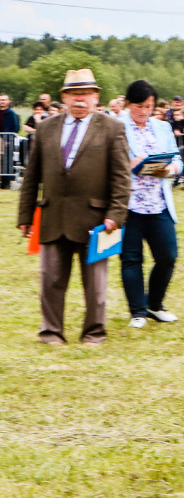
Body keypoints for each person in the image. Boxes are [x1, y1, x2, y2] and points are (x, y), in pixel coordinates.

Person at [16, 69, 131, 346]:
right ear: (64, 97)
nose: (80, 99)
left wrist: (115, 214)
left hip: (97, 221)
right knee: (50, 280)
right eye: (74, 94)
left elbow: (122, 177)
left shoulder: (112, 128)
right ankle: (51, 332)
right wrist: (25, 215)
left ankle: (94, 333)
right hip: (53, 216)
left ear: (95, 97)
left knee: (95, 284)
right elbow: (32, 177)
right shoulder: (46, 128)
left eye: (86, 94)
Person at [119, 80, 183, 329]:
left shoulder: (163, 127)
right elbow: (109, 160)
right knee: (131, 259)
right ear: (128, 104)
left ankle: (155, 305)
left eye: (149, 106)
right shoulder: (116, 126)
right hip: (130, 204)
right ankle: (137, 311)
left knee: (168, 256)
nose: (144, 111)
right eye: (139, 106)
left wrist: (169, 169)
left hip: (159, 203)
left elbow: (176, 159)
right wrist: (129, 162)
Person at [0, 92, 19, 189]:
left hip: (7, 140)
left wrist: (8, 139)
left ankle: (6, 183)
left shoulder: (11, 114)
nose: (2, 101)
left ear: (8, 101)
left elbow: (16, 127)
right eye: (1, 100)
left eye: (4, 100)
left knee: (7, 161)